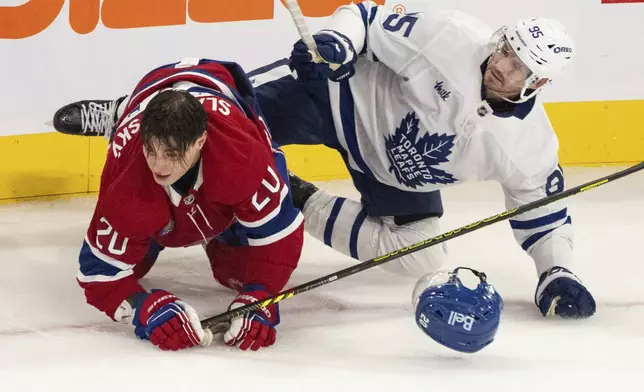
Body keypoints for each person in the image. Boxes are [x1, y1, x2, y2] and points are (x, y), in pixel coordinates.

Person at [51, 2, 594, 319]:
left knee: (420, 256)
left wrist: (555, 271)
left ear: (539, 82)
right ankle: (128, 111)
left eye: (519, 67)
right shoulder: (448, 36)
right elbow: (365, 16)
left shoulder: (527, 144)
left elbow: (539, 208)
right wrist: (334, 44)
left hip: (390, 173)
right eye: (506, 51)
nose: (502, 67)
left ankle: (293, 194)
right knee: (218, 120)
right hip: (336, 100)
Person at [75, 57, 304, 352]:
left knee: (237, 272)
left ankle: (295, 193)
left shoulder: (243, 158)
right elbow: (97, 273)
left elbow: (279, 239)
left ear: (200, 141)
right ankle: (123, 112)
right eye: (151, 150)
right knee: (136, 264)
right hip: (153, 99)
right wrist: (144, 308)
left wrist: (260, 294)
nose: (158, 165)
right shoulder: (127, 181)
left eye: (171, 152)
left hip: (219, 90)